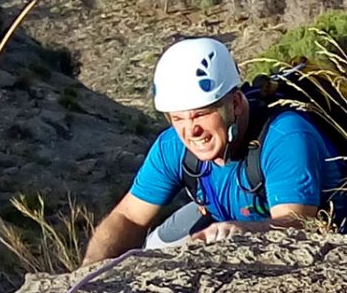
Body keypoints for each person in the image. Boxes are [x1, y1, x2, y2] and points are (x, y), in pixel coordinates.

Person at [82, 37, 346, 266]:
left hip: (313, 238)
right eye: (177, 118)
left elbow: (297, 224)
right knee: (152, 250)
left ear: (236, 103)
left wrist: (240, 231)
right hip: (224, 219)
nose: (190, 131)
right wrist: (91, 269)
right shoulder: (173, 145)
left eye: (202, 114)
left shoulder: (284, 136)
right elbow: (128, 216)